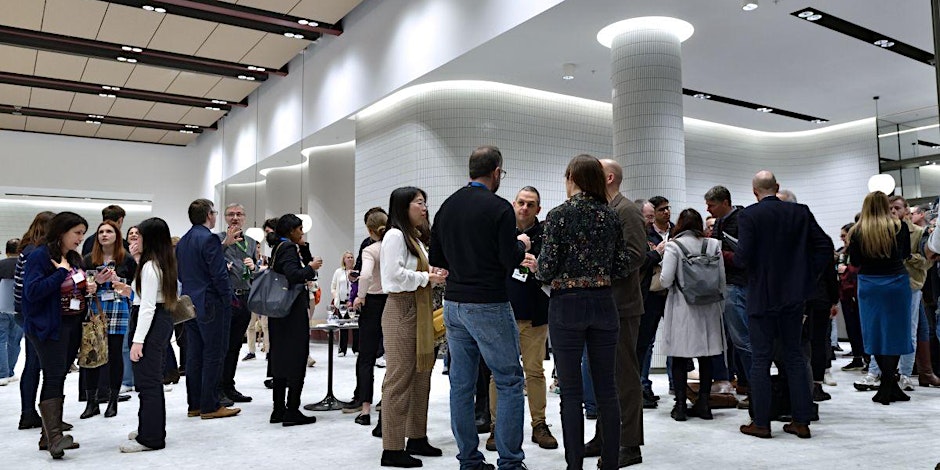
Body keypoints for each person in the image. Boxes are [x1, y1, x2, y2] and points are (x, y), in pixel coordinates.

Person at [429, 146, 529, 470]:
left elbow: (436, 258)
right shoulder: (499, 208)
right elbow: (508, 259)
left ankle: (469, 460)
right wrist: (521, 245)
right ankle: (510, 462)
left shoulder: (447, 206)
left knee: (461, 385)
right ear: (496, 171)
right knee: (509, 380)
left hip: (454, 304)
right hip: (488, 303)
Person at [538, 154, 628, 470]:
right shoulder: (611, 216)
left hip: (566, 305)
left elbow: (546, 268)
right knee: (607, 389)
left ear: (572, 178)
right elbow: (621, 265)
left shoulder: (558, 216)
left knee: (571, 392)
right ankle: (611, 461)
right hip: (604, 302)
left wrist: (539, 267)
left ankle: (574, 464)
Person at [734, 171, 832, 439]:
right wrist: (806, 276)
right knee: (795, 356)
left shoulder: (749, 216)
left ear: (754, 191)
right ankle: (801, 420)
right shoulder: (800, 212)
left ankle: (761, 422)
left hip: (762, 296)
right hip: (793, 296)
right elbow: (825, 246)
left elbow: (742, 258)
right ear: (776, 187)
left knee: (761, 359)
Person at [482, 186, 558, 453]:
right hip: (503, 312)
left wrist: (539, 268)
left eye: (531, 204)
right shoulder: (500, 231)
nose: (525, 208)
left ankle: (539, 424)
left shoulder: (548, 236)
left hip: (536, 313)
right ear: (513, 204)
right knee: (499, 373)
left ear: (539, 208)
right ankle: (497, 427)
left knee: (535, 372)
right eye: (521, 203)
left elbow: (555, 270)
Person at [583, 160, 647, 467]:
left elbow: (636, 255)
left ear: (608, 178)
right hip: (603, 305)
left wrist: (598, 270)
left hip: (621, 306)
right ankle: (605, 435)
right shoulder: (604, 210)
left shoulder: (627, 210)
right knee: (603, 376)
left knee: (624, 376)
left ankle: (629, 443)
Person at [380, 186, 447, 468]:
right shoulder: (395, 236)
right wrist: (426, 278)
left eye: (425, 203)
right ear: (403, 207)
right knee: (399, 379)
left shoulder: (414, 238)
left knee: (421, 375)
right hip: (402, 308)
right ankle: (392, 448)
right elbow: (392, 277)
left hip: (419, 308)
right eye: (419, 203)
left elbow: (414, 271)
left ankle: (417, 436)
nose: (424, 208)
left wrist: (431, 274)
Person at [22, 211, 94, 458]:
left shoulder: (73, 257)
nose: (80, 238)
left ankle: (48, 436)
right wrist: (61, 273)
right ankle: (54, 439)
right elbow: (33, 292)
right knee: (53, 376)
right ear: (61, 232)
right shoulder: (40, 256)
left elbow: (73, 285)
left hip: (71, 324)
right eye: (77, 233)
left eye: (83, 233)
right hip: (48, 326)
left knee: (60, 375)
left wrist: (87, 286)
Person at [659, 208, 726, 421]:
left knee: (679, 357)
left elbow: (666, 280)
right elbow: (721, 279)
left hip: (682, 307)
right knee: (706, 358)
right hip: (709, 307)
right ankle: (704, 404)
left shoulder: (674, 246)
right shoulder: (713, 245)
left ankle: (680, 406)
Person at [848, 191, 914, 405]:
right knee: (896, 332)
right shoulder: (899, 227)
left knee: (874, 332)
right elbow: (904, 254)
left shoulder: (857, 231)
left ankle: (886, 383)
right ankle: (889, 382)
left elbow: (855, 262)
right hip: (896, 283)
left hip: (869, 285)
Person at [118, 217, 177, 452]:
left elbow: (147, 307)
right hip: (158, 320)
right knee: (150, 380)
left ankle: (151, 436)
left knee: (148, 382)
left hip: (151, 323)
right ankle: (149, 428)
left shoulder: (150, 267)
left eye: (139, 235)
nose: (134, 239)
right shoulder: (158, 262)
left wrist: (138, 340)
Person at [176, 199, 238, 419]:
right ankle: (210, 405)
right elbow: (218, 274)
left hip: (190, 303)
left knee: (195, 355)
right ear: (208, 215)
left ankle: (195, 404)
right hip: (211, 302)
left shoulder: (183, 241)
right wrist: (227, 299)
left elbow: (182, 273)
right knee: (214, 353)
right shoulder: (209, 238)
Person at [267, 214, 322, 426]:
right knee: (297, 358)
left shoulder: (279, 247)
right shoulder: (289, 248)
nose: (302, 232)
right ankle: (292, 410)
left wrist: (304, 248)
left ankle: (278, 409)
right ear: (291, 231)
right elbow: (294, 274)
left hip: (279, 312)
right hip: (292, 312)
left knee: (280, 359)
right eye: (299, 229)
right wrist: (311, 267)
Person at [80, 221, 137, 419]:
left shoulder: (127, 259)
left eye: (109, 231)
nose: (104, 235)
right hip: (95, 307)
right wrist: (95, 282)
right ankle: (91, 402)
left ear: (116, 235)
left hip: (118, 307)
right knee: (92, 354)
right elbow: (81, 286)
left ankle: (113, 401)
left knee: (115, 354)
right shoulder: (88, 259)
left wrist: (119, 282)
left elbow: (136, 287)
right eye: (101, 232)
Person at [13, 211, 55, 431]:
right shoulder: (36, 253)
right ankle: (29, 412)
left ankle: (30, 412)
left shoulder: (26, 249)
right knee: (34, 364)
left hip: (24, 311)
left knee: (33, 363)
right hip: (34, 313)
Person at [347, 210, 389, 425]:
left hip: (372, 303)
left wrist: (360, 296)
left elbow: (364, 275)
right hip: (392, 301)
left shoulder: (370, 249)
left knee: (366, 357)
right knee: (393, 357)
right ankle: (387, 402)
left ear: (369, 230)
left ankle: (365, 409)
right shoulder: (396, 247)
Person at [217, 203, 258, 404]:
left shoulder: (251, 242)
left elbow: (255, 272)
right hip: (225, 298)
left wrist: (254, 266)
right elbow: (209, 261)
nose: (235, 217)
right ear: (225, 217)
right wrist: (225, 244)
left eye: (239, 214)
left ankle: (229, 386)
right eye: (231, 214)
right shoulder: (217, 239)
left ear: (244, 218)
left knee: (235, 346)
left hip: (244, 297)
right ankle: (217, 388)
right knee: (221, 345)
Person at [0, 238, 23, 386]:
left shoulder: (1, 264)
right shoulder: (25, 265)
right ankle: (10, 372)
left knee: (1, 340)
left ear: (7, 251)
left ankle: (2, 374)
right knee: (15, 341)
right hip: (19, 308)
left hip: (1, 307)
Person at [331, 250, 359, 356]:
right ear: (344, 260)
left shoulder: (357, 271)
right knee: (343, 326)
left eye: (352, 257)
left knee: (355, 325)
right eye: (348, 257)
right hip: (343, 302)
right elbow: (333, 287)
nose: (350, 259)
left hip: (354, 303)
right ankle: (342, 349)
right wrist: (335, 298)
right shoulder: (338, 272)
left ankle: (356, 349)